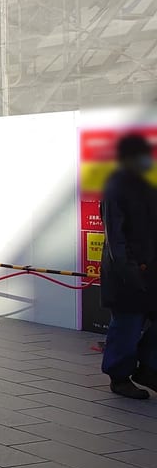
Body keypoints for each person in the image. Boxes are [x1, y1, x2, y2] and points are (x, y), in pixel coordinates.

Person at [100, 133, 157, 399]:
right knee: (127, 324)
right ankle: (119, 377)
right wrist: (131, 272)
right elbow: (116, 239)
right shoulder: (116, 188)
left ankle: (148, 367)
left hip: (150, 269)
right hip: (127, 272)